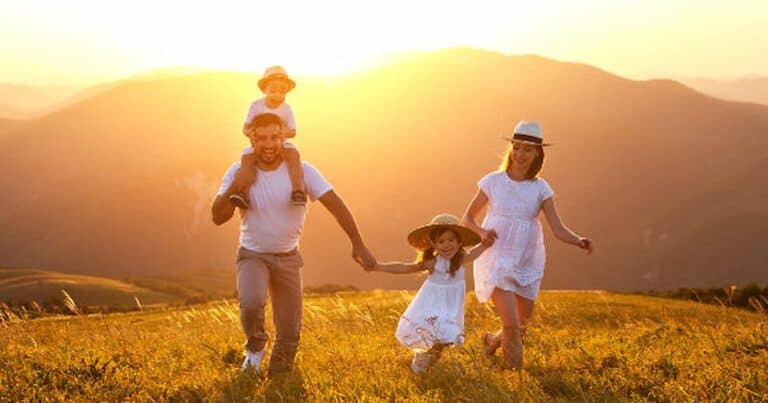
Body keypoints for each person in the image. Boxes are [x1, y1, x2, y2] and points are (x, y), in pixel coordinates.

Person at [211, 112, 376, 374]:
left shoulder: (303, 171)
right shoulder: (238, 171)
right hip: (253, 255)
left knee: (289, 331)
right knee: (251, 302)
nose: (268, 144)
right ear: (252, 138)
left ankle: (279, 372)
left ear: (283, 138)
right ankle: (255, 349)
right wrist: (236, 187)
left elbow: (336, 205)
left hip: (288, 258)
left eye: (274, 137)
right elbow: (217, 217)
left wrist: (358, 243)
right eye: (262, 138)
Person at [461, 121, 593, 370]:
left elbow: (557, 228)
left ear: (537, 154)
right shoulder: (493, 182)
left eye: (527, 150)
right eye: (517, 147)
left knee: (521, 326)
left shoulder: (541, 189)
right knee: (511, 325)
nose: (520, 154)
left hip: (527, 259)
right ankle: (515, 378)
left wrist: (578, 241)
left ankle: (491, 342)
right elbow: (467, 219)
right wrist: (482, 233)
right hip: (497, 257)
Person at [371, 214, 494, 374]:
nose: (447, 245)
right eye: (441, 241)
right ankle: (423, 358)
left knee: (446, 339)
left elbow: (475, 253)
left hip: (451, 306)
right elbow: (406, 267)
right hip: (432, 303)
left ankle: (428, 358)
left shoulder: (461, 258)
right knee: (438, 335)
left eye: (451, 240)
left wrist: (485, 244)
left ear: (459, 243)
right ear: (433, 245)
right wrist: (378, 266)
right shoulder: (433, 263)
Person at [229, 65, 306, 209]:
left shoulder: (286, 109)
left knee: (294, 155)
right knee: (247, 160)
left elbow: (293, 131)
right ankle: (243, 193)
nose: (278, 95)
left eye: (282, 92)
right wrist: (252, 134)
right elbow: (245, 127)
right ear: (265, 90)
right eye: (273, 91)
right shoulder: (256, 106)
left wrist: (282, 134)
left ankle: (298, 190)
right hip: (259, 145)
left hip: (280, 144)